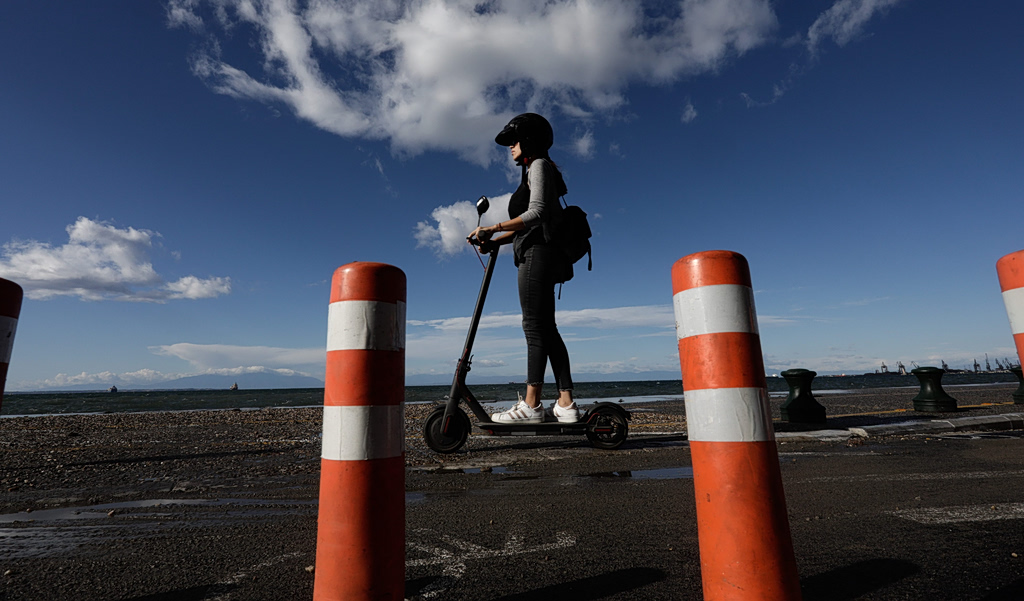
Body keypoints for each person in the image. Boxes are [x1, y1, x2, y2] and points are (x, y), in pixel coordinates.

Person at [467, 113, 579, 424]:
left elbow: (538, 213)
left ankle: (532, 405)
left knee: (533, 327)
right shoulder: (534, 170)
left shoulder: (539, 165)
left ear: (529, 140)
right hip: (537, 251)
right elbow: (524, 228)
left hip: (537, 255)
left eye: (515, 140)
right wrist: (495, 240)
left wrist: (493, 226)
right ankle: (566, 405)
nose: (511, 147)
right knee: (547, 329)